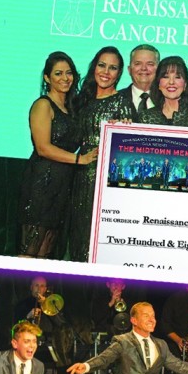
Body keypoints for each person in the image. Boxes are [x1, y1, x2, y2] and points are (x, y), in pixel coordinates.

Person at [18, 52, 96, 258]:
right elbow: (43, 147)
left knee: (45, 253)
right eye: (58, 73)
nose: (65, 78)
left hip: (63, 186)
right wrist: (81, 159)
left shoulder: (73, 109)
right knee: (29, 251)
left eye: (68, 73)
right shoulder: (43, 105)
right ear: (47, 78)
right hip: (42, 184)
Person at [70, 46, 135, 262]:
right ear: (94, 67)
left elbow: (129, 149)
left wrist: (126, 131)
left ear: (119, 73)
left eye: (113, 67)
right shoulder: (81, 100)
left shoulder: (122, 102)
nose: (106, 71)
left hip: (104, 182)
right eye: (102, 65)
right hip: (79, 177)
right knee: (78, 240)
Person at [13, 276, 65, 374]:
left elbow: (60, 323)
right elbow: (16, 325)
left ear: (45, 289)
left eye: (42, 286)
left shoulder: (52, 303)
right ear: (31, 287)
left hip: (47, 346)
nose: (39, 289)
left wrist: (45, 305)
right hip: (28, 348)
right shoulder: (22, 305)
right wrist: (28, 316)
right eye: (36, 285)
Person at [140, 56, 188, 129]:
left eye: (177, 77)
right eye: (166, 77)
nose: (171, 82)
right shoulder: (146, 117)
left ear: (185, 84)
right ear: (158, 84)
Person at [120, 44, 159, 118]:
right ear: (129, 69)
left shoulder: (167, 101)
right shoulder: (115, 99)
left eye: (150, 64)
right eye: (138, 64)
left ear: (159, 69)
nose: (144, 68)